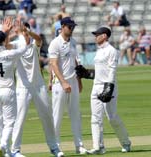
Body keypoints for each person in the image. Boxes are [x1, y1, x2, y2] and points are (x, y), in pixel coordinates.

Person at [9, 19, 64, 157]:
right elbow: (5, 44)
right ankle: (15, 150)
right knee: (20, 118)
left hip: (39, 85)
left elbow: (39, 38)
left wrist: (28, 31)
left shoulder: (35, 44)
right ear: (20, 33)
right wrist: (9, 32)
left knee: (47, 116)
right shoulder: (16, 44)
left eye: (27, 30)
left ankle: (54, 147)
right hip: (23, 86)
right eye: (24, 31)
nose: (26, 33)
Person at [75, 26, 131, 154]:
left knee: (112, 117)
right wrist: (87, 74)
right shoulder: (99, 51)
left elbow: (112, 70)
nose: (95, 37)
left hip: (108, 87)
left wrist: (109, 88)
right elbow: (100, 72)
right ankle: (98, 147)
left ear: (104, 36)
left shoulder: (112, 51)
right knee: (95, 118)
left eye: (97, 35)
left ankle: (126, 142)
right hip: (96, 86)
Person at [0, 17, 28, 157]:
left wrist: (3, 31)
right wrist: (21, 32)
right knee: (10, 122)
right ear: (4, 41)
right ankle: (3, 145)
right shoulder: (10, 54)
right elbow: (24, 47)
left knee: (0, 122)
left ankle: (6, 152)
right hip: (8, 90)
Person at [48, 17, 87, 155]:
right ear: (63, 26)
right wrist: (63, 82)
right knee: (57, 116)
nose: (72, 29)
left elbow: (76, 63)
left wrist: (79, 81)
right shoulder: (55, 43)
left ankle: (79, 145)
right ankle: (56, 146)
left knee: (76, 115)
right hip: (60, 84)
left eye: (73, 27)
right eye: (70, 27)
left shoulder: (73, 42)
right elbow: (53, 64)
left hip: (73, 82)